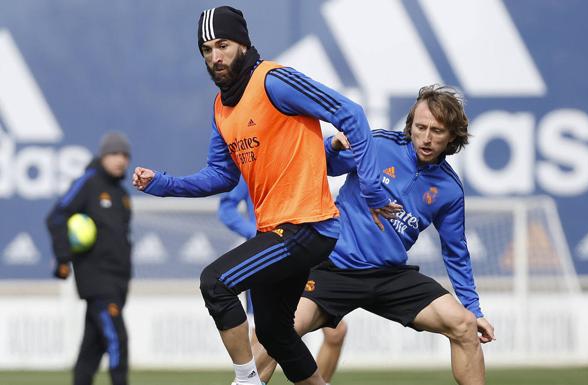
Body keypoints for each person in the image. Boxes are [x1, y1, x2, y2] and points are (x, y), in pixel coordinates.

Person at [132, 6, 399, 385]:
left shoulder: (274, 80)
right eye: (206, 50)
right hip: (277, 231)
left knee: (216, 283)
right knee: (274, 331)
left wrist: (371, 188)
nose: (215, 57)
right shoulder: (221, 107)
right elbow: (221, 177)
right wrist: (163, 183)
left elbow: (351, 113)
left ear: (242, 43)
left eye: (222, 45)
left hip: (308, 227)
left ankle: (246, 380)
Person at [253, 85, 496, 385]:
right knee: (277, 329)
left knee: (465, 326)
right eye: (421, 127)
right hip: (333, 267)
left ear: (453, 136)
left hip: (388, 275)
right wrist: (334, 146)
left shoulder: (448, 189)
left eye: (437, 130)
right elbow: (323, 166)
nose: (427, 137)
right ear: (411, 126)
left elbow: (456, 254)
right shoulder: (378, 145)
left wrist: (474, 309)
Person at [219, 177, 348, 385]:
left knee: (335, 332)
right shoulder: (257, 161)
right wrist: (257, 237)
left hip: (306, 249)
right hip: (268, 254)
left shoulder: (319, 157)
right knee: (265, 335)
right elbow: (226, 208)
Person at [46, 132, 132, 385]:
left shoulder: (122, 194)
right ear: (103, 156)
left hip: (118, 282)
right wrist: (63, 258)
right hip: (97, 280)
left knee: (91, 351)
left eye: (125, 155)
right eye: (115, 154)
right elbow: (56, 217)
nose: (121, 160)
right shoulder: (88, 182)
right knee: (118, 339)